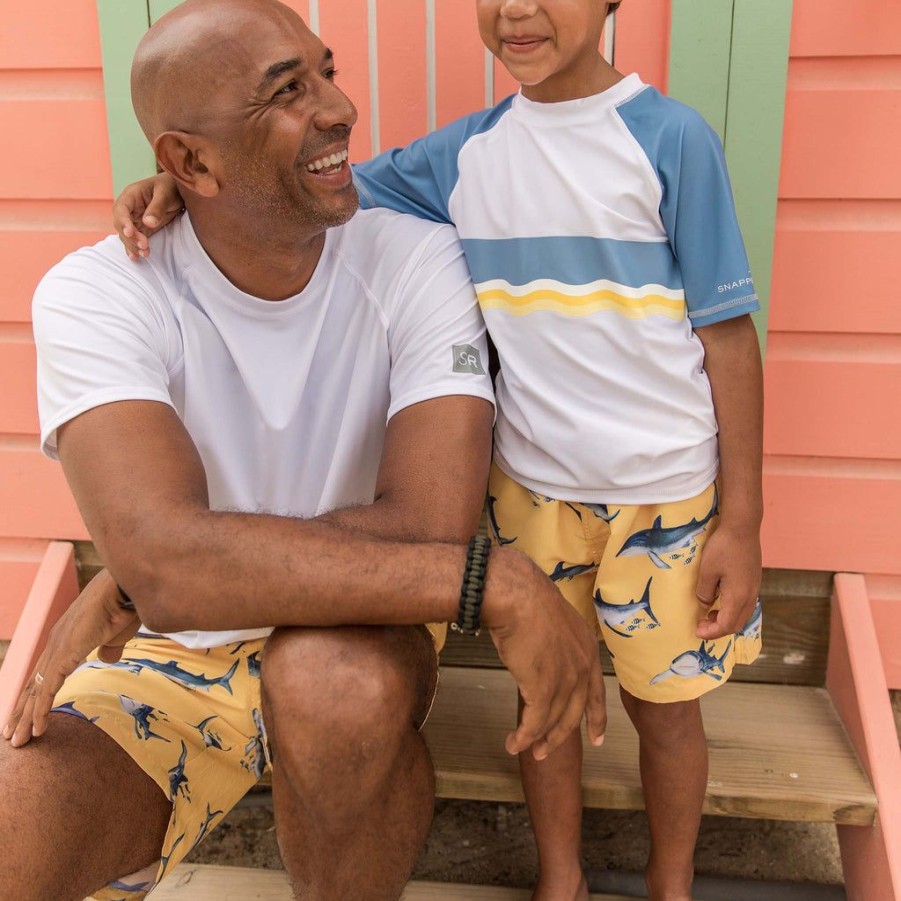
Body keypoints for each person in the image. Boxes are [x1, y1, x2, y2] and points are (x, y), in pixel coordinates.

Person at [109, 1, 765, 899]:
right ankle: (561, 878)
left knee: (668, 714)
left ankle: (673, 882)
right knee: (547, 705)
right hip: (533, 495)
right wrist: (179, 187)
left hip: (669, 499)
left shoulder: (671, 139)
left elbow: (727, 337)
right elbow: (292, 180)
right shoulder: (460, 157)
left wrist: (743, 520)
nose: (518, 10)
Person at [0, 2, 608, 900]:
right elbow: (170, 563)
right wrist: (491, 580)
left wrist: (159, 566)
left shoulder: (416, 260)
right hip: (170, 654)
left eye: (324, 71)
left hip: (356, 634)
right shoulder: (99, 292)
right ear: (189, 162)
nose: (338, 107)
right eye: (288, 93)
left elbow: (427, 526)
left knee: (328, 681)